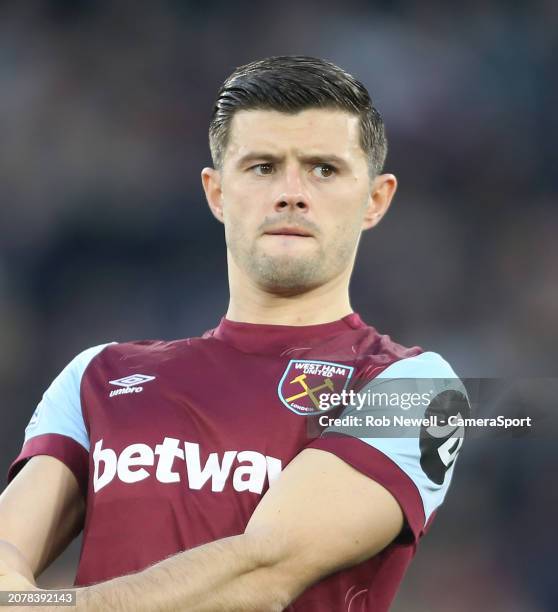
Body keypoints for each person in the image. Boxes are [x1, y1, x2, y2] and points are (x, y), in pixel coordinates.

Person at [0, 56, 469, 611]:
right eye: (263, 167)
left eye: (324, 169)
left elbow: (262, 571)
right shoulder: (97, 376)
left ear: (376, 198)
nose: (291, 193)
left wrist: (51, 609)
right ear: (216, 192)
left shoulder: (418, 388)